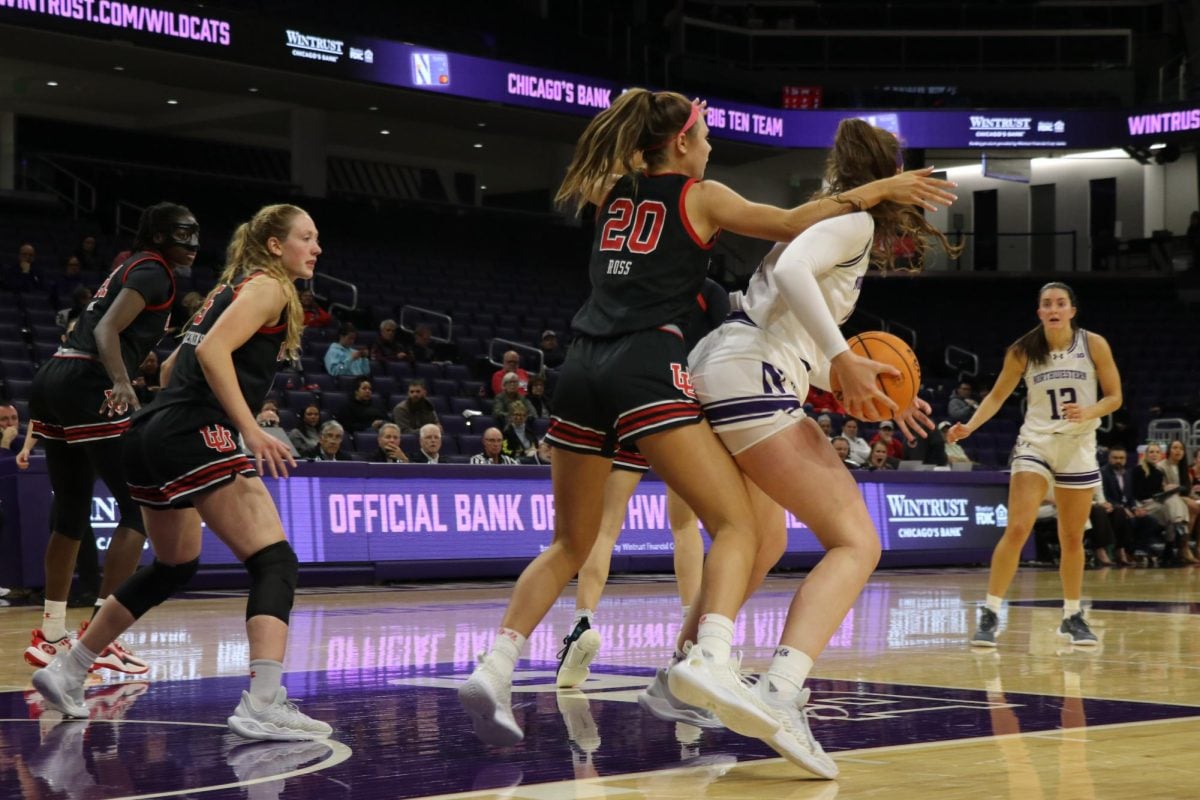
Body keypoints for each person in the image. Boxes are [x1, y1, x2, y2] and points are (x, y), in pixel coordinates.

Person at [456, 89, 955, 751]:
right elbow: (789, 224)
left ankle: (496, 665)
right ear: (684, 145)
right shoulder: (702, 195)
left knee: (571, 544)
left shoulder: (614, 191)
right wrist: (874, 191)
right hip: (650, 364)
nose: (712, 144)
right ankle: (712, 662)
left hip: (579, 368)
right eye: (705, 135)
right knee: (738, 526)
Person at [678, 116, 955, 776]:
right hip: (754, 369)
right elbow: (799, 272)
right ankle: (780, 690)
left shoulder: (837, 221)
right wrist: (841, 353)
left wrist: (869, 383)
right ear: (893, 183)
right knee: (859, 541)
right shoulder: (853, 224)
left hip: (728, 364)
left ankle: (687, 670)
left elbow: (798, 332)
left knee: (762, 537)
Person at [31, 203, 332, 741]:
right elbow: (214, 352)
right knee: (275, 561)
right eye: (306, 238)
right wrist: (250, 429)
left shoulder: (226, 290)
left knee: (175, 565)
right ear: (273, 245)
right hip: (192, 430)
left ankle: (69, 669)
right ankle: (264, 702)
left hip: (150, 432)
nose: (315, 248)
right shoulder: (268, 288)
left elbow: (172, 366)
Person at [22, 202, 195, 676]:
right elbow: (106, 328)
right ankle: (100, 636)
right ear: (158, 236)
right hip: (87, 378)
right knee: (137, 508)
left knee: (73, 509)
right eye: (184, 234)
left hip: (54, 374)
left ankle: (52, 634)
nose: (194, 243)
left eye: (197, 233)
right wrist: (121, 381)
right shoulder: (154, 271)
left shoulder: (131, 267)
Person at [555, 278, 729, 691]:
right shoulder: (708, 291)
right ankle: (690, 642)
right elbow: (722, 348)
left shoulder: (624, 276)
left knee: (605, 529)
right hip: (682, 401)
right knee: (685, 527)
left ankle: (583, 624)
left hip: (627, 394)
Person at [949, 282, 1122, 648]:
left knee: (1072, 537)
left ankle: (1072, 615)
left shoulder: (1094, 344)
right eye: (1047, 304)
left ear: (1072, 310)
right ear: (1040, 312)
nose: (1054, 308)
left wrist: (1089, 411)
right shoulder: (1023, 350)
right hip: (1036, 442)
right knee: (1017, 528)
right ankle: (991, 612)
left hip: (1078, 445)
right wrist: (969, 426)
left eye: (1061, 303)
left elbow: (1115, 397)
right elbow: (997, 395)